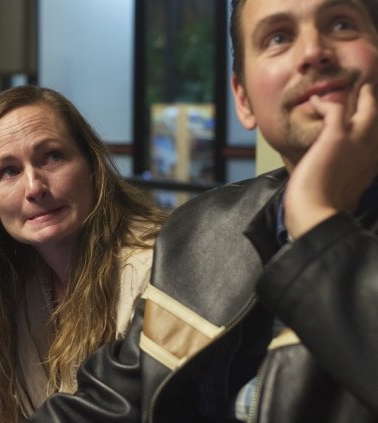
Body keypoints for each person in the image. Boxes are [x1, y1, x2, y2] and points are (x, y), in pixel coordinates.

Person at [24, 0, 378, 421]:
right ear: (243, 100)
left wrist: (317, 220)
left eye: (341, 24)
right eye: (278, 37)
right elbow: (112, 402)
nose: (312, 52)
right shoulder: (200, 232)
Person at [0, 85, 168, 423]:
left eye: (52, 156)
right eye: (9, 171)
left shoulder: (156, 269)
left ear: (91, 165)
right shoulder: (11, 284)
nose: (34, 187)